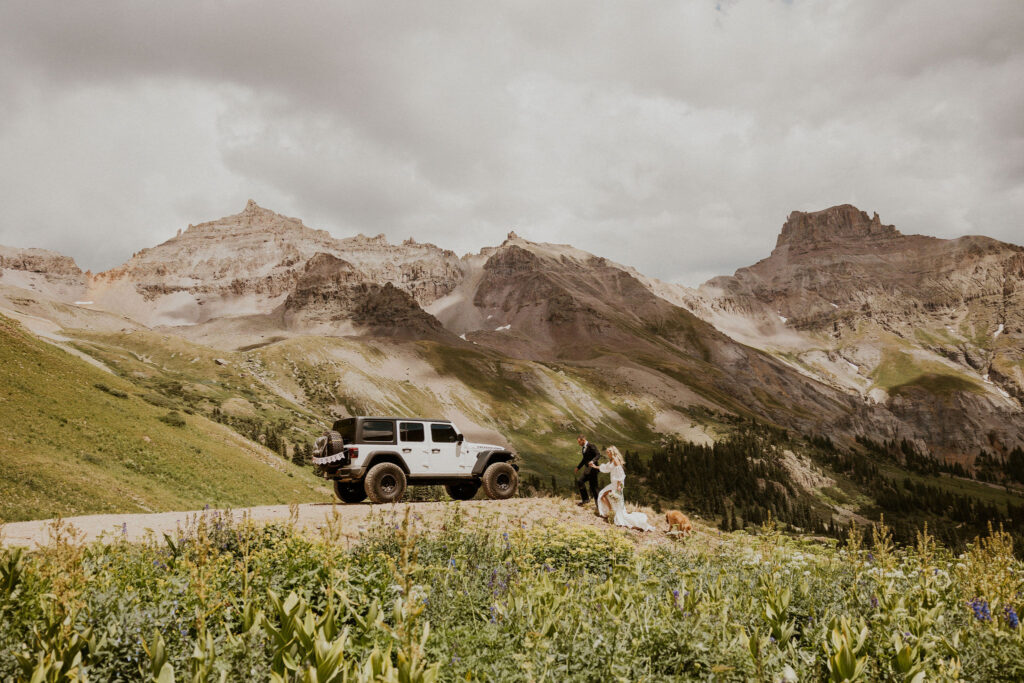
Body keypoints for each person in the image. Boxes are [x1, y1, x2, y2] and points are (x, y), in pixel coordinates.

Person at [589, 446, 654, 531]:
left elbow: (621, 474)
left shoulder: (615, 460)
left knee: (604, 495)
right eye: (607, 452)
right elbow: (605, 468)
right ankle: (611, 512)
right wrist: (594, 466)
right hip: (614, 483)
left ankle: (612, 512)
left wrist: (619, 485)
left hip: (617, 483)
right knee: (606, 496)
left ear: (612, 452)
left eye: (608, 452)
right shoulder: (612, 460)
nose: (607, 453)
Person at [575, 434, 600, 508]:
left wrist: (592, 461)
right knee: (580, 481)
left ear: (583, 440)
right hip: (587, 470)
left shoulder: (591, 446)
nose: (578, 444)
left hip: (593, 470)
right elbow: (584, 459)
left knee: (594, 488)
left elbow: (598, 455)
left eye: (579, 442)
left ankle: (599, 506)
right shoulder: (583, 448)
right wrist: (578, 467)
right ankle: (585, 500)